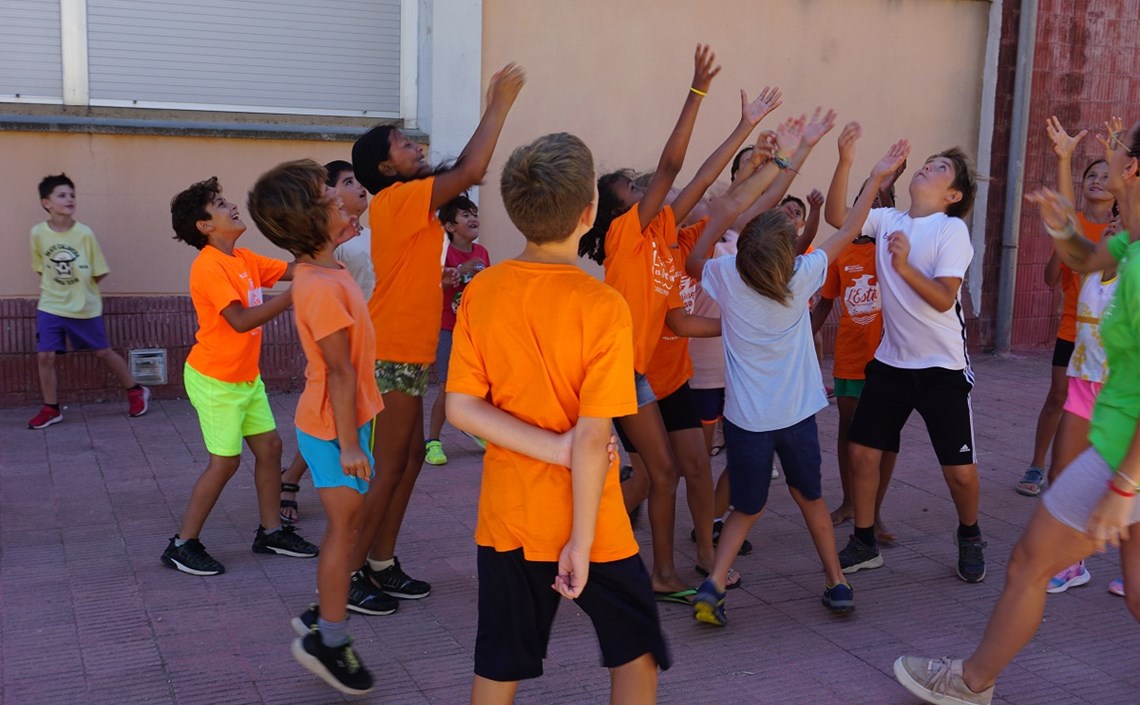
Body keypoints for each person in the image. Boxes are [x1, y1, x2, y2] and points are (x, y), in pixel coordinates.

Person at [892, 117, 1140, 705]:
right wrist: (1059, 224)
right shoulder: (1131, 240)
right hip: (1121, 441)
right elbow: (1084, 257)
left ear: (1132, 170)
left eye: (1117, 150)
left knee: (1030, 561)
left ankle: (972, 681)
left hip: (1123, 452)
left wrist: (1126, 484)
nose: (1109, 154)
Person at [446, 132, 669, 705]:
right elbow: (593, 439)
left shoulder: (483, 290)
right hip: (593, 524)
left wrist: (551, 449)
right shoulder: (602, 306)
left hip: (508, 516)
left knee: (499, 662)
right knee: (636, 654)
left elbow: (460, 408)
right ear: (590, 212)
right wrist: (580, 540)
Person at [579, 46, 783, 600]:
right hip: (623, 373)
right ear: (622, 212)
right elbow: (677, 169)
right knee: (658, 474)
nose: (652, 192)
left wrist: (768, 153)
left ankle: (660, 567)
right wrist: (699, 93)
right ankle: (636, 566)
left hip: (660, 375)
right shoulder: (626, 240)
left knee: (674, 470)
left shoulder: (670, 240)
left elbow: (724, 201)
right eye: (637, 192)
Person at [685, 124, 909, 627]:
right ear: (788, 255)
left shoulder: (727, 277)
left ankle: (713, 584)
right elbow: (849, 229)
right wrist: (871, 175)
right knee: (811, 498)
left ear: (743, 251)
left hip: (746, 422)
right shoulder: (801, 276)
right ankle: (837, 581)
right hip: (795, 419)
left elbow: (696, 258)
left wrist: (724, 212)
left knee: (745, 508)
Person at [346, 63, 524, 612]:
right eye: (402, 144)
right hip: (392, 353)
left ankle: (380, 562)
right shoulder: (397, 201)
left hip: (411, 353)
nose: (414, 146)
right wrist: (498, 103)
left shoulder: (415, 201)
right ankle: (349, 576)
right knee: (390, 465)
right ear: (384, 166)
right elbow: (472, 167)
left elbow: (461, 170)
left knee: (411, 461)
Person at [247, 159, 384, 695]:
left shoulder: (328, 269)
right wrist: (350, 442)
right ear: (310, 219)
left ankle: (322, 611)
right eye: (330, 196)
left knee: (349, 523)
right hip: (333, 427)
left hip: (346, 419)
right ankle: (328, 639)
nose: (341, 198)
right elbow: (339, 369)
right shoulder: (319, 286)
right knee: (344, 528)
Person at [825, 139, 982, 583]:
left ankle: (970, 535)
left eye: (939, 168)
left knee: (961, 474)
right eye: (927, 162)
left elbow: (942, 298)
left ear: (953, 195)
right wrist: (855, 164)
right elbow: (838, 217)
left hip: (941, 369)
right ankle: (864, 540)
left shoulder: (951, 230)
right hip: (891, 363)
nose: (926, 168)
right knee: (861, 452)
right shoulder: (887, 219)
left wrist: (905, 265)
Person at [161, 177, 319, 576]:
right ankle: (183, 544)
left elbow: (294, 269)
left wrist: (323, 244)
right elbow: (240, 321)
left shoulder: (243, 258)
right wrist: (291, 298)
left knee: (269, 449)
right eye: (219, 204)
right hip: (214, 379)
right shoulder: (208, 268)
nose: (231, 205)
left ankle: (270, 532)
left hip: (245, 378)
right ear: (205, 226)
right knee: (225, 462)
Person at [1016, 116, 1114, 497]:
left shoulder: (1121, 231)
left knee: (1101, 407)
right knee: (1060, 396)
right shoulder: (1076, 227)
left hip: (1110, 338)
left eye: (1107, 176)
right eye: (1091, 174)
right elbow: (1050, 277)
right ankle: (1038, 465)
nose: (1097, 180)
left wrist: (1114, 154)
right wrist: (1063, 159)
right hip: (1074, 328)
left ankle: (1093, 473)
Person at [814, 122, 899, 540]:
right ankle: (850, 502)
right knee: (850, 432)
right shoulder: (843, 249)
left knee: (884, 437)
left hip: (889, 361)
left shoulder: (894, 247)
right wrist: (804, 340)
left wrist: (888, 183)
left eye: (879, 198)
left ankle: (875, 511)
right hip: (850, 356)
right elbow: (826, 302)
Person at [279, 159, 374, 525]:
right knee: (333, 420)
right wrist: (349, 446)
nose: (355, 188)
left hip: (361, 338)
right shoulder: (324, 264)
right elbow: (336, 369)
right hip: (341, 340)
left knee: (345, 417)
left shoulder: (358, 238)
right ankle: (294, 477)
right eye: (345, 183)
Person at [28, 173, 149, 429]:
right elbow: (41, 267)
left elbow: (100, 270)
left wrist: (79, 291)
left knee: (103, 351)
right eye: (61, 195)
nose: (69, 199)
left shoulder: (84, 234)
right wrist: (58, 289)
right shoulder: (38, 233)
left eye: (72, 195)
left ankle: (136, 390)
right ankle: (51, 408)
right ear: (46, 202)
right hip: (50, 305)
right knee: (45, 356)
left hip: (85, 306)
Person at [426, 194, 491, 466]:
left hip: (475, 330)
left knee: (481, 385)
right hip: (448, 329)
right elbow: (430, 287)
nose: (473, 217)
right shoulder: (443, 253)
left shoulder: (482, 253)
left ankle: (476, 427)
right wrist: (449, 275)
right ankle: (433, 442)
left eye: (474, 212)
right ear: (450, 227)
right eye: (465, 214)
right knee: (447, 387)